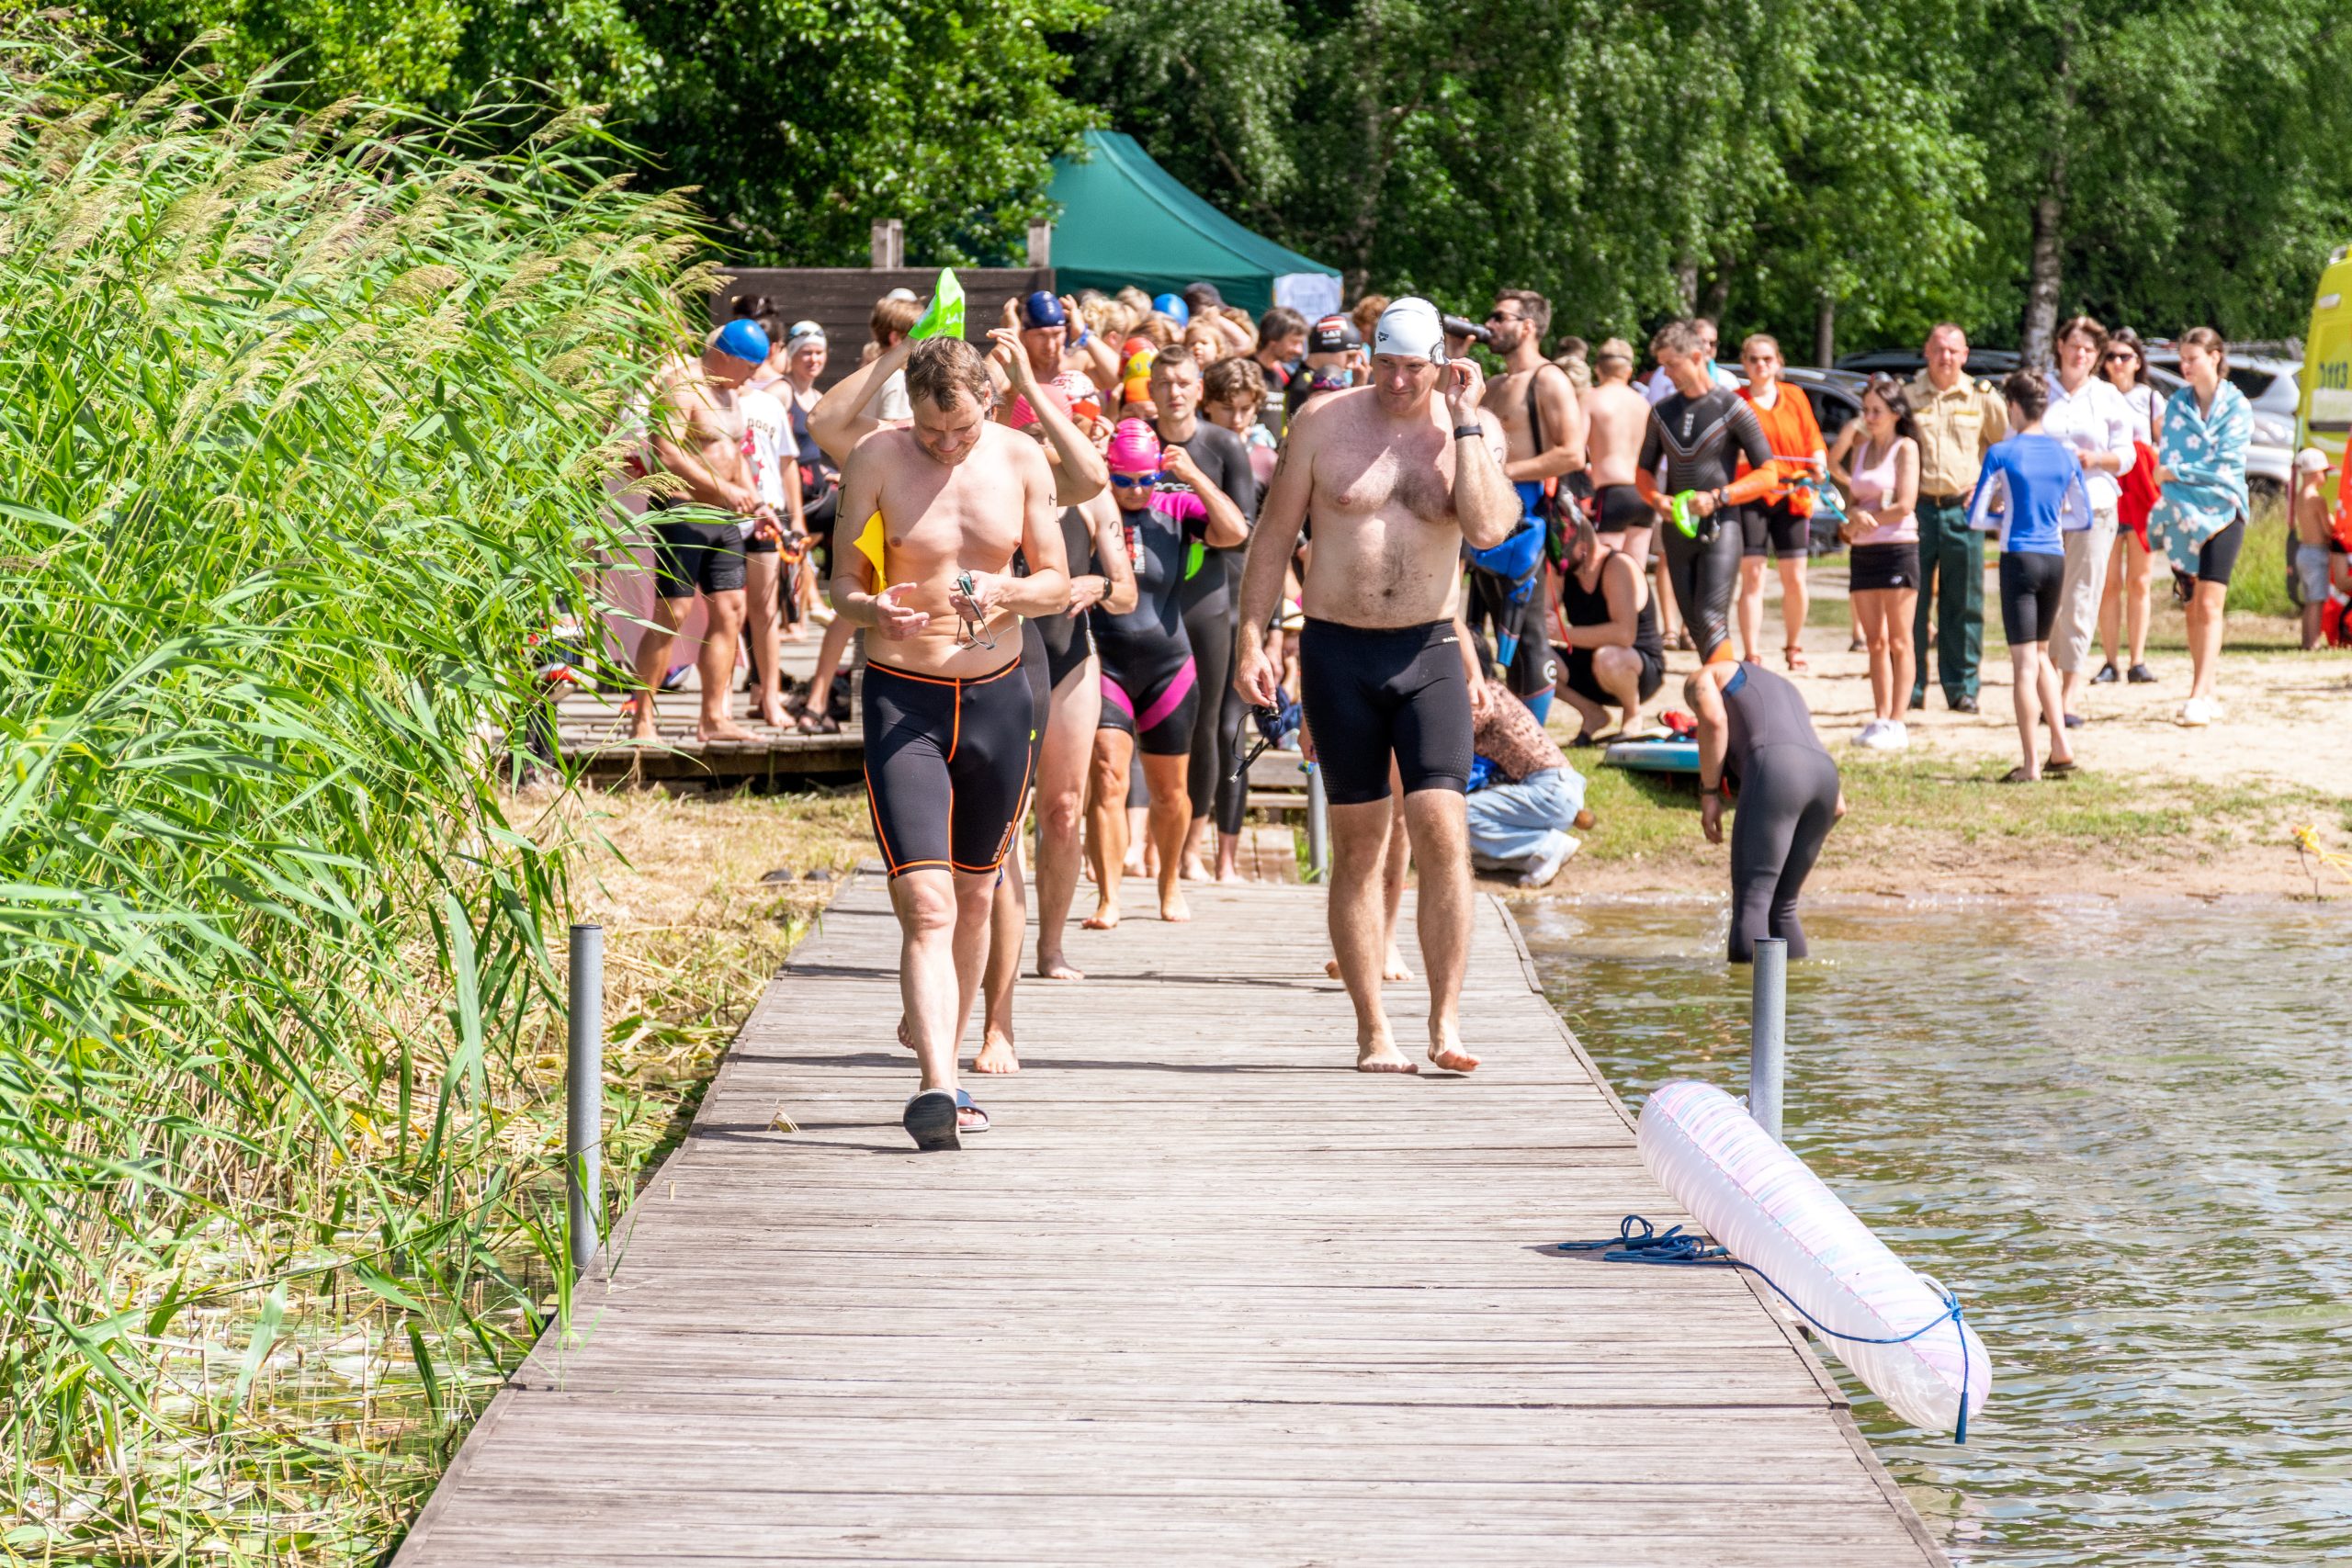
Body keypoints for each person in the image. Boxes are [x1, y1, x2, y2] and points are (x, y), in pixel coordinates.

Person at [1233, 296, 1517, 1076]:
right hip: (1338, 651)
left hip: (1428, 648)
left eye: (1413, 368)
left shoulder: (1472, 428)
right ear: (1369, 357)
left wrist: (1465, 421)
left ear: (1441, 364)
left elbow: (1490, 528)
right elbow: (1273, 537)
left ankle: (1446, 1020)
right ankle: (1373, 1029)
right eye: (1385, 364)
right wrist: (1253, 637)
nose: (1397, 381)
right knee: (1359, 844)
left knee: (1443, 829)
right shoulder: (1322, 423)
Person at [831, 337, 1069, 1150]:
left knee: (975, 895)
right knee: (927, 902)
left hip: (999, 697)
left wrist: (1008, 588)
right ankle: (934, 1085)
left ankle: (955, 1064)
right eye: (931, 432)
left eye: (961, 429)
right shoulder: (876, 458)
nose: (946, 445)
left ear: (987, 403)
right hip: (906, 697)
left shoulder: (1021, 457)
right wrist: (872, 610)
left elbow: (1055, 582)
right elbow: (840, 584)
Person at [1085, 420, 1247, 929]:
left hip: (1168, 666)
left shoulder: (1175, 507)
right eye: (1124, 480)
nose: (1136, 491)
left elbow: (1235, 532)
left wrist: (1193, 476)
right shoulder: (1092, 506)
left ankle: (1170, 883)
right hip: (1106, 662)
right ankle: (1109, 898)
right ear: (1108, 472)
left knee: (1171, 792)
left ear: (1158, 474)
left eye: (1145, 480)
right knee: (1108, 777)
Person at [1143, 345, 1258, 885]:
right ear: (1151, 388)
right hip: (1148, 604)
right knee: (1147, 722)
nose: (1174, 392)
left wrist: (1190, 478)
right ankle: (1146, 843)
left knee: (1207, 726)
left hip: (1207, 602)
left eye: (1183, 382)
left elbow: (1242, 533)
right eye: (1164, 383)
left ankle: (1191, 846)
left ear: (1198, 389)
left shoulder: (1222, 445)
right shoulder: (1136, 439)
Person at [632, 318, 770, 744]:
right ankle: (642, 719)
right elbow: (667, 453)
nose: (753, 377)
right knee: (673, 612)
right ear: (725, 356)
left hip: (722, 515)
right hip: (682, 509)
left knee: (732, 610)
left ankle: (713, 717)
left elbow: (734, 453)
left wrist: (756, 500)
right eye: (750, 367)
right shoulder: (681, 386)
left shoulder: (731, 392)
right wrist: (725, 489)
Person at [1633, 320, 1781, 665]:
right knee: (1696, 625)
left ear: (1697, 357)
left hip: (1720, 527)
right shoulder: (1662, 412)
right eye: (1662, 365)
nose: (1666, 374)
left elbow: (1768, 473)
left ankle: (1726, 691)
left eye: (1672, 364)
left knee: (1711, 619)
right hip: (1677, 530)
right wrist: (1656, 499)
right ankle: (1717, 691)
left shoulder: (1732, 407)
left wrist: (1719, 497)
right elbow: (1643, 473)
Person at [1968, 370, 2090, 781]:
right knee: (2041, 655)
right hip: (2054, 556)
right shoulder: (2065, 455)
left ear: (2014, 407)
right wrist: (2051, 519)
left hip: (2019, 557)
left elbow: (1975, 517)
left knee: (2022, 663)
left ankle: (2031, 763)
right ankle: (2061, 744)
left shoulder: (2002, 453)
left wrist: (2002, 518)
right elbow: (2083, 517)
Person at [1476, 288, 1586, 723]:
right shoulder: (1494, 384)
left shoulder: (1549, 379)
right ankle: (1496, 731)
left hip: (1527, 521)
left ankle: (1533, 738)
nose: (1490, 325)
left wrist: (1503, 471)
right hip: (1484, 519)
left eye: (1499, 317)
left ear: (1527, 327)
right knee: (1477, 630)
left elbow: (1572, 453)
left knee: (1527, 634)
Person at [1688, 659, 1844, 963]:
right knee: (1782, 907)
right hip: (1826, 779)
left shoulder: (1703, 676)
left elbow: (1714, 720)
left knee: (1753, 902)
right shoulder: (1787, 688)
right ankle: (1795, 989)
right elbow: (1839, 807)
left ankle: (1742, 992)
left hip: (1775, 770)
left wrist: (1709, 794)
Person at [2148, 328, 2253, 728]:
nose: (2185, 366)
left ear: (2215, 356)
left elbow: (2226, 464)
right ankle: (2206, 689)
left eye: (2192, 358)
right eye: (2182, 358)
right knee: (2193, 606)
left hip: (2225, 511)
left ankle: (2196, 695)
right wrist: (2179, 472)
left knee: (2211, 604)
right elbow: (2169, 458)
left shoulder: (2237, 405)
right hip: (2183, 513)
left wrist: (2178, 472)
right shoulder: (2177, 404)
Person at [2039, 316, 2136, 728]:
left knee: (2081, 597)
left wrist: (2094, 458)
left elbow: (2127, 455)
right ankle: (2046, 688)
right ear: (2060, 346)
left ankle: (2069, 695)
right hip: (2043, 509)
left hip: (2093, 505)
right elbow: (2015, 437)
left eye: (2089, 349)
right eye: (2075, 345)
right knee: (2049, 600)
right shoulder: (2040, 389)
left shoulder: (2108, 396)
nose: (2081, 354)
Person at [1907, 324, 2008, 714]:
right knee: (1910, 602)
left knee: (1964, 602)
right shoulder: (1908, 395)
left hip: (1964, 511)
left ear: (1965, 355)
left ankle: (1962, 688)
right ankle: (1911, 686)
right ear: (1926, 352)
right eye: (1938, 349)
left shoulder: (1982, 397)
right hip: (1916, 509)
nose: (1945, 357)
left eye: (1953, 350)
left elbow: (2007, 448)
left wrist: (1990, 489)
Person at [1826, 375, 1921, 750]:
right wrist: (1852, 519)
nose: (1869, 417)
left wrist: (1868, 520)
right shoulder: (1862, 448)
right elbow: (1854, 500)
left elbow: (1905, 504)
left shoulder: (1906, 448)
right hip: (1864, 550)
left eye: (1876, 411)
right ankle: (1880, 717)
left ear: (1896, 413)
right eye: (1865, 410)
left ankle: (1898, 721)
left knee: (1900, 639)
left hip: (1898, 547)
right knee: (1875, 641)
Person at [1732, 334, 1826, 671]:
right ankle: (1752, 652)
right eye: (1754, 359)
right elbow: (1728, 451)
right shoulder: (1736, 401)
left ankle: (1794, 645)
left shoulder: (1795, 396)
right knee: (1753, 575)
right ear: (1744, 363)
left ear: (1778, 362)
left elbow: (1812, 438)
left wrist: (1818, 464)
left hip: (1792, 493)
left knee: (1795, 577)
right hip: (1752, 494)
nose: (1761, 365)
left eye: (1767, 359)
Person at [1465, 660, 1590, 888]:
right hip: (1560, 790)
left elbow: (1447, 743)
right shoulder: (1495, 691)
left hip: (1549, 792)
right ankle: (1537, 854)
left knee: (1461, 814)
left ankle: (1545, 846)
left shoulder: (1480, 697)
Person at [736, 357, 805, 725]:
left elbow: (786, 463)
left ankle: (770, 697)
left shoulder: (769, 404)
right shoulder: (710, 401)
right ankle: (718, 707)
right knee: (729, 612)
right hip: (726, 512)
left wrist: (797, 519)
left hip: (769, 515)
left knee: (765, 611)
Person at [1553, 516, 1665, 742]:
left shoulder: (1618, 566)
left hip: (1635, 667)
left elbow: (1624, 635)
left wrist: (1562, 633)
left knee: (1608, 657)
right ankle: (1592, 714)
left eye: (1561, 552)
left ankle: (1632, 714)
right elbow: (1543, 617)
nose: (1557, 559)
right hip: (1586, 664)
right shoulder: (1565, 571)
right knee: (1535, 659)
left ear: (1582, 548)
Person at [2097, 327, 2165, 685]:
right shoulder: (2097, 396)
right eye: (2111, 356)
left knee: (2139, 581)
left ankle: (2138, 660)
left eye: (2125, 356)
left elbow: (2164, 445)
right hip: (2108, 492)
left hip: (2141, 496)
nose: (2118, 362)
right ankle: (2110, 661)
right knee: (2109, 583)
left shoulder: (2150, 399)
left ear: (2138, 361)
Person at [1581, 338, 1657, 566]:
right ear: (1629, 371)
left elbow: (1575, 451)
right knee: (1635, 573)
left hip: (1611, 492)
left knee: (1602, 570)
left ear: (1597, 369)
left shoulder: (1591, 399)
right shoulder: (1643, 404)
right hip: (1644, 493)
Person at [2295, 449, 2336, 649]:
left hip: (2303, 551)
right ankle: (2313, 643)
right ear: (2315, 473)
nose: (2326, 476)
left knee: (2309, 600)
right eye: (2325, 472)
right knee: (2317, 600)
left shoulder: (2299, 497)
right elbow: (2328, 529)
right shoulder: (2317, 500)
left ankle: (2306, 640)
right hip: (2317, 552)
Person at [1643, 315, 1736, 403]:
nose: (1707, 347)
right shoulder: (1662, 376)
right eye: (1702, 341)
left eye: (1712, 343)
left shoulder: (1728, 381)